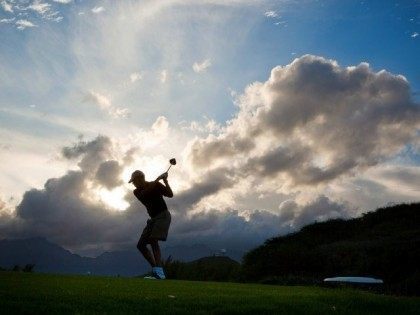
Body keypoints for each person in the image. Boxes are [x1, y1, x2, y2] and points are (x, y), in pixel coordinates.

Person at [129, 170, 173, 280]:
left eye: (134, 181)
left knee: (153, 240)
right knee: (141, 245)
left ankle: (159, 272)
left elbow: (170, 194)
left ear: (140, 178)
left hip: (163, 216)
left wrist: (165, 181)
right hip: (153, 219)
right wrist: (158, 179)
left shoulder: (156, 184)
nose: (133, 183)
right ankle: (157, 271)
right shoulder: (137, 192)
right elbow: (146, 193)